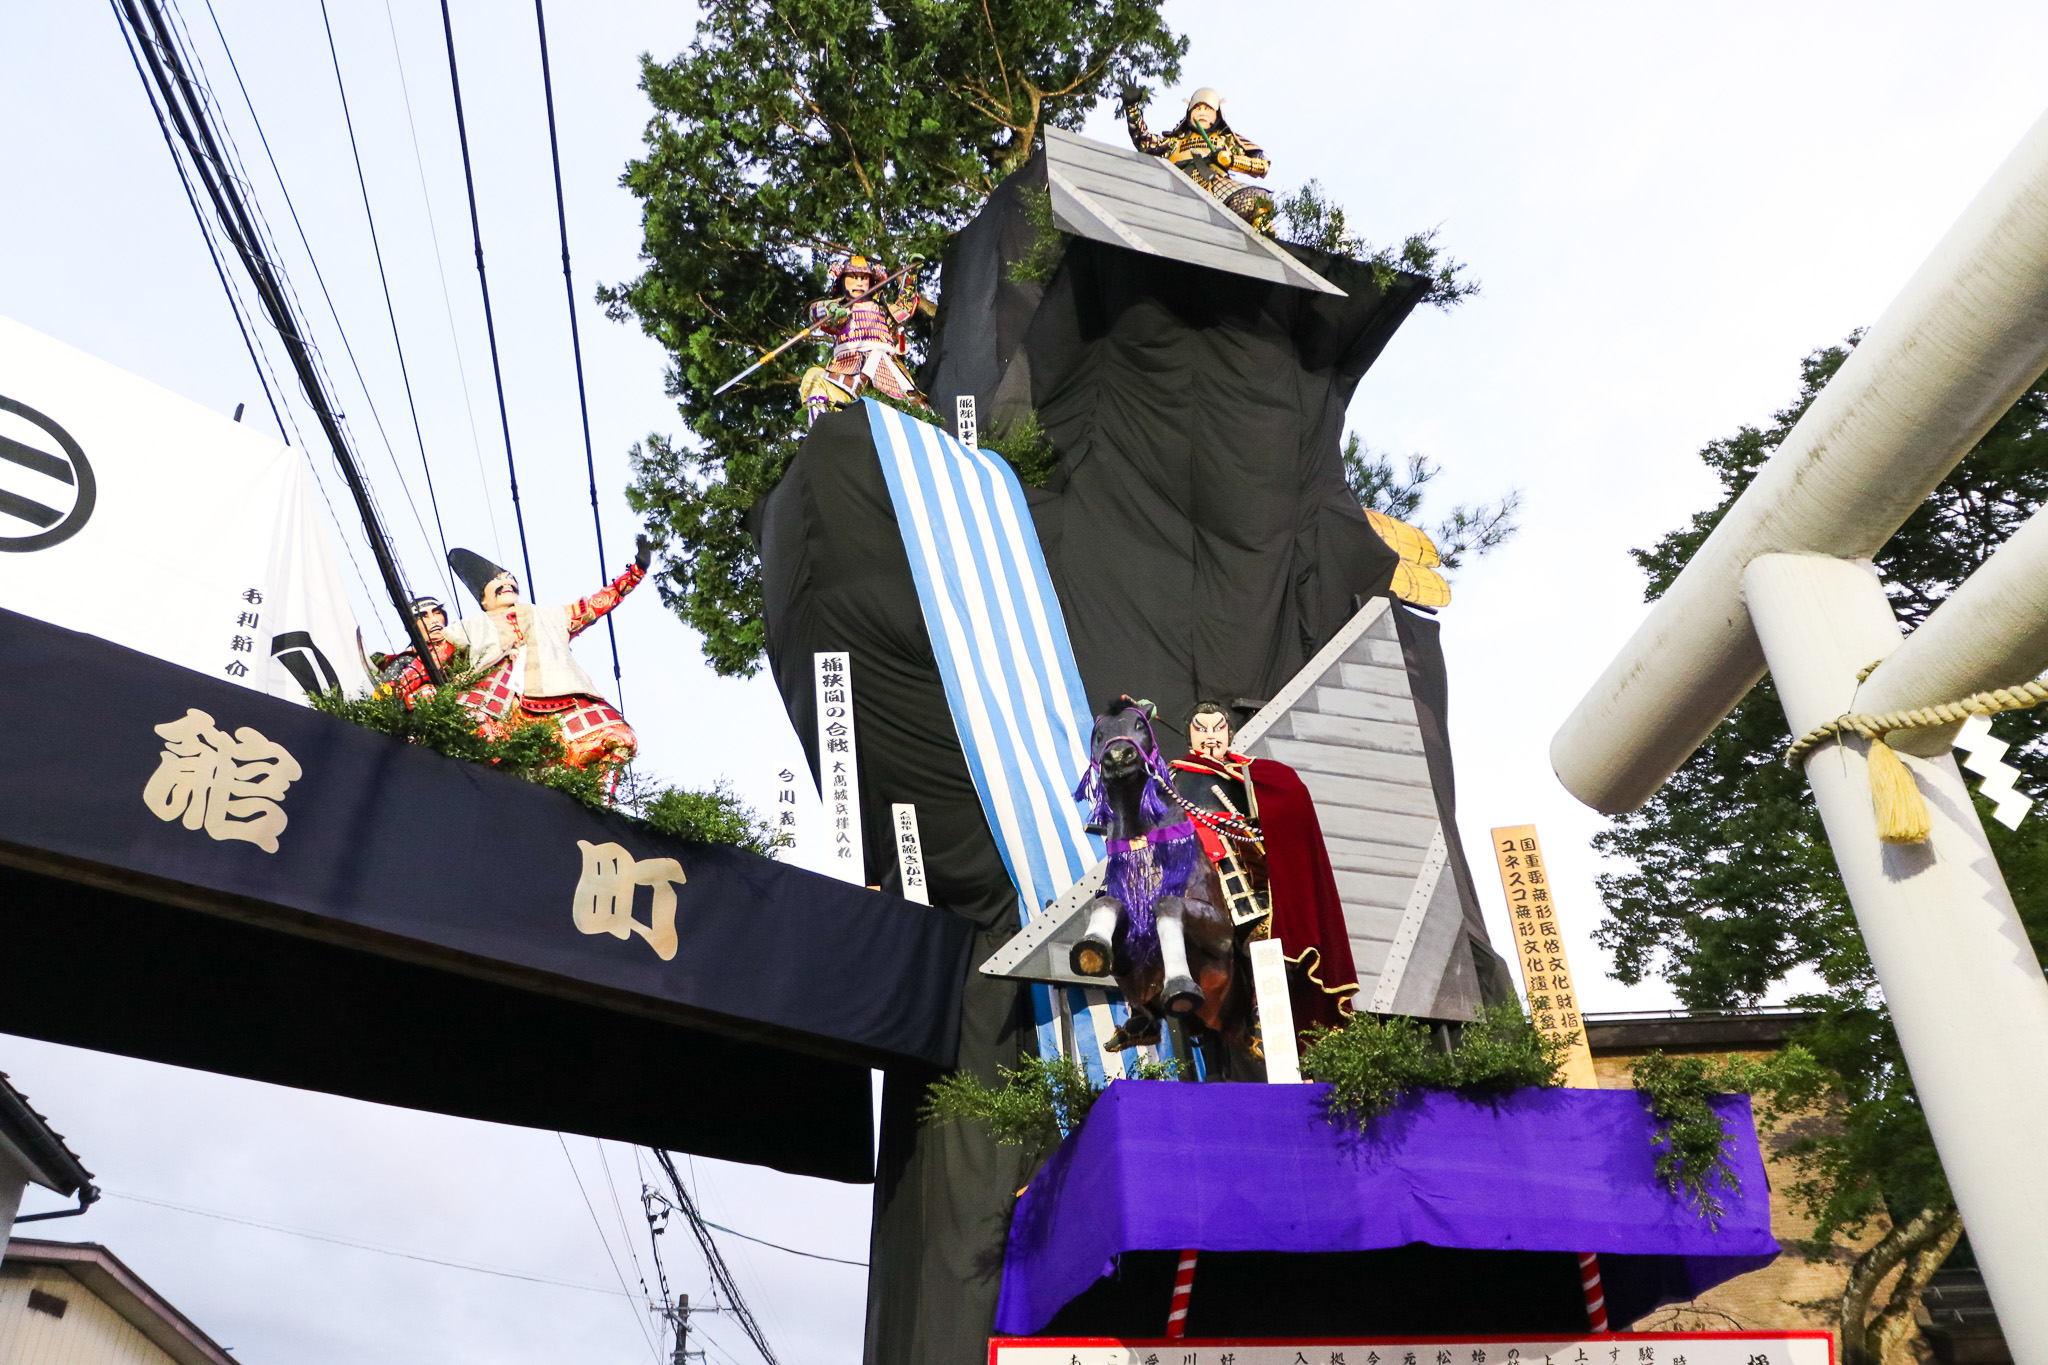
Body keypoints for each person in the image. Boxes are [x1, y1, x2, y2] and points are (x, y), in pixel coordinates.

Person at [1169, 699, 1358, 1029]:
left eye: (1219, 729)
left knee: (1263, 932)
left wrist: (1263, 824)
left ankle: (1264, 1004)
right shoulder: (1171, 780)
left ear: (1230, 734)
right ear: (1189, 738)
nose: (1211, 736)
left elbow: (1285, 804)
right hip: (1192, 872)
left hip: (1247, 874)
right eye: (1202, 730)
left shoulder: (1251, 774)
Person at [439, 539, 652, 770]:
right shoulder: (471, 625)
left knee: (618, 738)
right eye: (497, 580)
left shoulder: (551, 617)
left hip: (558, 698)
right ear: (484, 599)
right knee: (475, 738)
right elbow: (434, 651)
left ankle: (596, 801)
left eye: (511, 578)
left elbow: (594, 606)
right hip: (494, 698)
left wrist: (636, 572)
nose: (508, 582)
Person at [1123, 86, 1276, 234]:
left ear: (1217, 114)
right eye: (1197, 108)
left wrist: (1230, 160)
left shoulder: (1226, 140)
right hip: (1178, 188)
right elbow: (1145, 142)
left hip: (1216, 188)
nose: (1202, 112)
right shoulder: (1175, 141)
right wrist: (1132, 109)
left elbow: (1262, 166)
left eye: (1208, 108)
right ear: (1189, 113)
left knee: (1257, 199)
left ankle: (1263, 234)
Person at [798, 254, 931, 424]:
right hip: (848, 367)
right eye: (853, 278)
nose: (859, 283)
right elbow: (815, 311)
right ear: (842, 281)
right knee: (815, 379)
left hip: (886, 368)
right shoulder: (839, 309)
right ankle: (821, 430)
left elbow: (904, 305)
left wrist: (910, 276)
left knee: (918, 406)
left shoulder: (884, 311)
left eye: (864, 278)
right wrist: (832, 309)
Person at [371, 595, 458, 708]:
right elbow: (392, 705)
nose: (434, 620)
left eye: (437, 613)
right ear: (411, 626)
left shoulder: (463, 648)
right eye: (423, 616)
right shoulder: (405, 661)